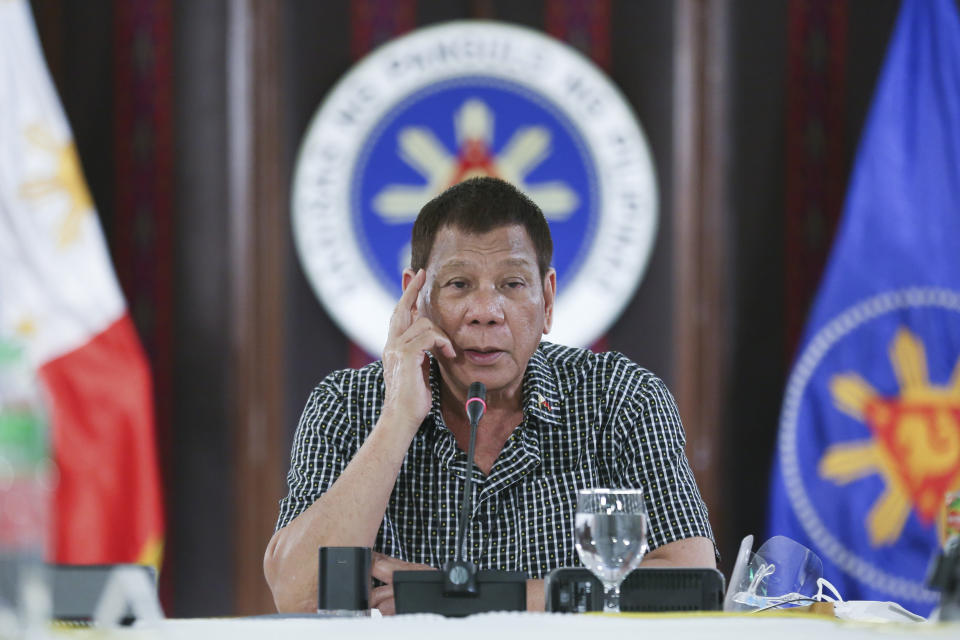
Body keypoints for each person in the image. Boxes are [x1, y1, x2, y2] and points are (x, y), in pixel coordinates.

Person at [264, 177, 716, 614]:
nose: (485, 313)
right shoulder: (345, 404)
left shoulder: (621, 398)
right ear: (414, 299)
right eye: (459, 284)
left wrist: (474, 597)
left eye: (512, 285)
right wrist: (396, 420)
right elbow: (298, 595)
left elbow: (692, 584)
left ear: (548, 300)